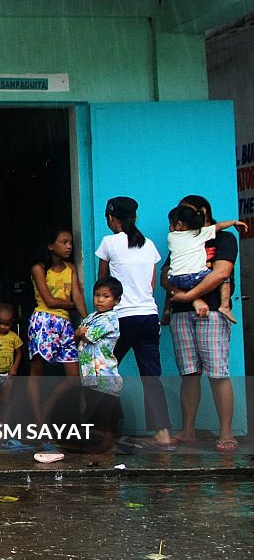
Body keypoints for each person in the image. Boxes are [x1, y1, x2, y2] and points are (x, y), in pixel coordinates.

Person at [162, 195, 240, 453]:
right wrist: (184, 300)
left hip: (214, 313)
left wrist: (189, 296)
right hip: (182, 314)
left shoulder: (223, 239)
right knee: (189, 373)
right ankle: (187, 430)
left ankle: (226, 432)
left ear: (202, 212)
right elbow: (166, 275)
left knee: (218, 373)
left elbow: (221, 273)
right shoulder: (181, 239)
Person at [96, 197, 175, 449]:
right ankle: (162, 433)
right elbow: (150, 285)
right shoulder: (148, 244)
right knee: (151, 376)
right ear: (135, 218)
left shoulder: (109, 243)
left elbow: (103, 284)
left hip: (120, 319)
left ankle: (101, 430)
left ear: (111, 217)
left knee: (103, 371)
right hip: (148, 317)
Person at [26, 226, 86, 425]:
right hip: (44, 321)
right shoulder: (39, 268)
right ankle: (37, 419)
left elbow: (77, 294)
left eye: (70, 242)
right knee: (37, 371)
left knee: (73, 376)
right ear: (51, 246)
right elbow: (50, 301)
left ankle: (46, 409)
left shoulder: (71, 268)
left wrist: (86, 320)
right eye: (64, 242)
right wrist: (73, 306)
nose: (69, 246)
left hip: (65, 324)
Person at [165, 204, 246, 324]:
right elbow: (218, 227)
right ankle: (224, 306)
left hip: (174, 279)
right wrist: (234, 222)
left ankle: (194, 299)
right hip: (192, 278)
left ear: (179, 225)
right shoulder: (199, 234)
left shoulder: (171, 237)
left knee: (188, 279)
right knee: (221, 277)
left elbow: (164, 276)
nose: (170, 227)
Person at [72, 276, 125, 454]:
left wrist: (80, 332)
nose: (99, 299)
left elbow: (87, 336)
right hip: (90, 374)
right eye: (97, 295)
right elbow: (77, 335)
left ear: (116, 300)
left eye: (105, 296)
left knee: (106, 412)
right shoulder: (91, 317)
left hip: (104, 374)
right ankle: (102, 444)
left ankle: (107, 444)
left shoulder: (109, 319)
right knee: (97, 409)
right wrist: (79, 332)